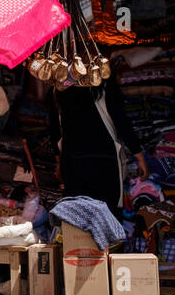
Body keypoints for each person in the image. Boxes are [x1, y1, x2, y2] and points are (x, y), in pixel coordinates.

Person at [50, 63, 148, 216]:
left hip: (72, 160)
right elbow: (121, 121)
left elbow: (54, 128)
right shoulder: (104, 84)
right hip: (104, 161)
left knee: (78, 215)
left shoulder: (59, 87)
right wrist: (139, 156)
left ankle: (78, 241)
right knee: (107, 213)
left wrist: (58, 161)